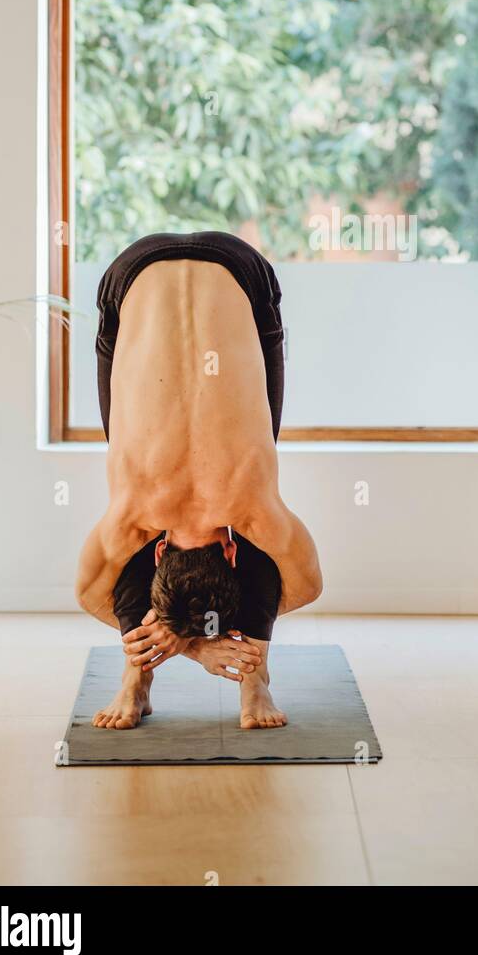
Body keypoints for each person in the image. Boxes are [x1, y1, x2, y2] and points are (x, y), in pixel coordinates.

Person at [75, 231, 322, 730]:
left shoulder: (252, 514)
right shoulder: (133, 519)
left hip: (240, 272)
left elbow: (310, 587)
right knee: (128, 543)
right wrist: (196, 643)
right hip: (131, 274)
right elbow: (86, 595)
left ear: (231, 552)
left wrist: (183, 641)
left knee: (265, 538)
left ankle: (141, 679)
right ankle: (252, 678)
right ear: (161, 553)